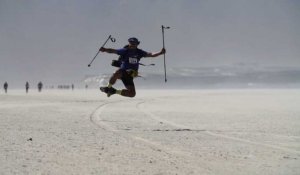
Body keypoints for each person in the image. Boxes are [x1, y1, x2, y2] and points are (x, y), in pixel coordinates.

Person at [99, 37, 165, 97]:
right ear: (129, 43)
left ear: (137, 44)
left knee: (132, 94)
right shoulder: (125, 50)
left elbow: (150, 54)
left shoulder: (139, 52)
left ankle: (114, 91)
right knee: (117, 72)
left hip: (130, 76)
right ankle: (108, 88)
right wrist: (104, 49)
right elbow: (113, 51)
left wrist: (160, 53)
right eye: (131, 43)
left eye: (134, 43)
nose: (132, 44)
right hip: (123, 72)